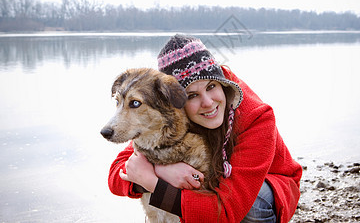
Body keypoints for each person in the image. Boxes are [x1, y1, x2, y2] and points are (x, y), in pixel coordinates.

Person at [107, 34, 302, 222]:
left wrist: (153, 182)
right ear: (174, 102)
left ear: (221, 83)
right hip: (215, 184)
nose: (208, 103)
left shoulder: (257, 118)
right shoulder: (174, 117)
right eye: (192, 95)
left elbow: (226, 211)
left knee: (253, 204)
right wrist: (162, 171)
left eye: (211, 87)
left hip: (268, 188)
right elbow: (117, 176)